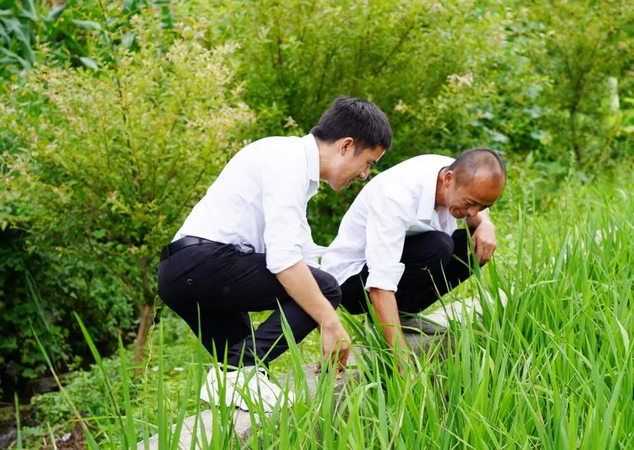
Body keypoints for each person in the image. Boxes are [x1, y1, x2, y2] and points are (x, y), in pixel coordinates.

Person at [157, 96, 391, 411]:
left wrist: (334, 321)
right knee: (322, 289)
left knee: (246, 374)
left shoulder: (292, 166)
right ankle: (235, 372)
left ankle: (237, 376)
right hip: (200, 266)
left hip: (194, 273)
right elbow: (285, 263)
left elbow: (304, 257)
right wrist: (330, 323)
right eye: (369, 163)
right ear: (346, 146)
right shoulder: (287, 161)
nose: (364, 175)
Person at [320, 148, 505, 373]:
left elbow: (476, 204)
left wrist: (486, 223)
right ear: (448, 179)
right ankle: (380, 321)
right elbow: (380, 283)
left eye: (482, 206)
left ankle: (403, 314)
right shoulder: (397, 196)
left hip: (394, 262)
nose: (473, 212)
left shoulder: (457, 171)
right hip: (351, 282)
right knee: (440, 245)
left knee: (475, 245)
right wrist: (402, 360)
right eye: (470, 203)